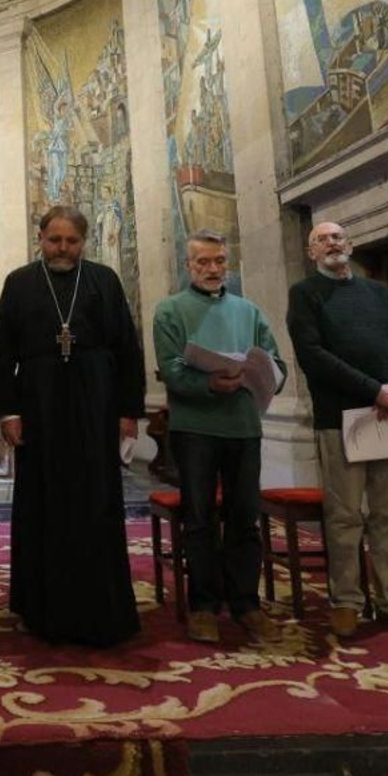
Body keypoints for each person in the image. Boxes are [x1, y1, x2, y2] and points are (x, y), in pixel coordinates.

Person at [0, 205, 144, 646]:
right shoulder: (20, 283)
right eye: (54, 240)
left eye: (71, 241)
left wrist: (127, 411)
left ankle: (102, 606)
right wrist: (8, 412)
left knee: (97, 500)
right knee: (43, 499)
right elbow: (2, 353)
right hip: (38, 403)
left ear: (83, 242)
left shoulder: (104, 280)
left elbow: (128, 349)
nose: (62, 248)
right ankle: (41, 607)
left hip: (96, 400)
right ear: (40, 238)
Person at [286, 221, 388, 639]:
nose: (331, 243)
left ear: (350, 245)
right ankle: (347, 602)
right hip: (341, 419)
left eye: (337, 237)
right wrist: (374, 389)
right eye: (321, 239)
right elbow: (313, 355)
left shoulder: (378, 292)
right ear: (311, 253)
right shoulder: (304, 295)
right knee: (344, 516)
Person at [153, 231, 285, 643]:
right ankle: (204, 605)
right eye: (203, 262)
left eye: (220, 262)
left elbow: (275, 361)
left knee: (245, 517)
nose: (213, 270)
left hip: (244, 426)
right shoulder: (170, 311)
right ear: (188, 265)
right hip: (195, 428)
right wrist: (210, 382)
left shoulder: (248, 311)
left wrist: (268, 375)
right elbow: (171, 369)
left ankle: (246, 602)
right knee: (199, 519)